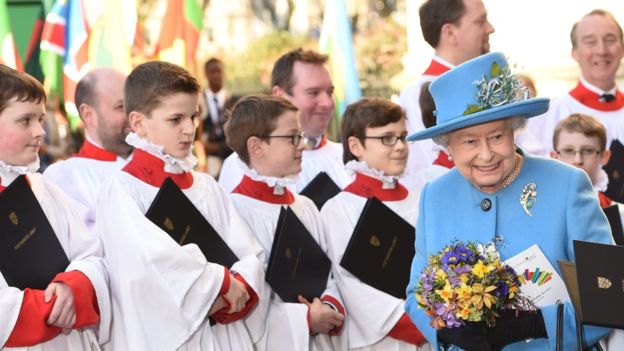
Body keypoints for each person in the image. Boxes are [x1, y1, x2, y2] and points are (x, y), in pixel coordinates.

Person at [404, 52, 613, 350]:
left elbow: (609, 296)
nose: (486, 154)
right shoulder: (434, 196)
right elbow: (415, 295)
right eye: (470, 141)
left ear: (515, 130)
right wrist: (444, 332)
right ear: (447, 145)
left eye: (497, 136)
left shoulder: (568, 185)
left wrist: (536, 324)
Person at [96, 61, 264, 350]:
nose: (190, 129)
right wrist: (221, 283)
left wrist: (241, 285)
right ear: (139, 124)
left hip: (224, 336)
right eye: (176, 119)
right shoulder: (121, 190)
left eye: (194, 117)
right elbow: (144, 266)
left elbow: (248, 252)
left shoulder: (206, 186)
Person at [225, 94, 347, 351]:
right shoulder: (234, 210)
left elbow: (329, 272)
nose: (301, 145)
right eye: (292, 137)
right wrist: (304, 319)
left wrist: (329, 305)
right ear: (256, 147)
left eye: (300, 136)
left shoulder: (305, 206)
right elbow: (246, 296)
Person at [0, 65, 110, 349]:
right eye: (25, 121)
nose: (40, 132)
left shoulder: (43, 189)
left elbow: (91, 254)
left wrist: (74, 286)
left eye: (41, 119)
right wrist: (51, 308)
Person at [320, 97, 431, 351]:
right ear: (356, 145)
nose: (400, 147)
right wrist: (424, 327)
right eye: (387, 138)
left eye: (403, 136)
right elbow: (352, 286)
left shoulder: (420, 199)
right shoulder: (340, 208)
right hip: (383, 340)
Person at [219, 48, 351, 194]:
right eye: (313, 93)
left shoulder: (352, 158)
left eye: (329, 92)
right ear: (280, 95)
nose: (327, 103)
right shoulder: (246, 165)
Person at [399, 0, 495, 190]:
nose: (490, 29)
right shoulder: (420, 93)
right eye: (480, 21)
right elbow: (430, 163)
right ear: (450, 33)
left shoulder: (490, 82)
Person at [44, 68, 132, 231]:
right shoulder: (64, 178)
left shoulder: (159, 159)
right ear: (89, 115)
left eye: (134, 106)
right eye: (121, 107)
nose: (133, 116)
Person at [528, 9, 624, 152]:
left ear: (622, 49)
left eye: (610, 40)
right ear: (575, 53)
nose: (602, 51)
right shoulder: (550, 114)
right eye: (590, 42)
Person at [550, 113, 624, 216]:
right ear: (553, 156)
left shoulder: (620, 215)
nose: (577, 160)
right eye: (568, 150)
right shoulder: (536, 210)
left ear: (604, 156)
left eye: (588, 151)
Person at [198, 58, 232, 177]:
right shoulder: (199, 101)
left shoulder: (233, 100)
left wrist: (218, 147)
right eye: (212, 71)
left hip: (231, 155)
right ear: (206, 74)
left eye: (219, 71)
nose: (216, 75)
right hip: (210, 161)